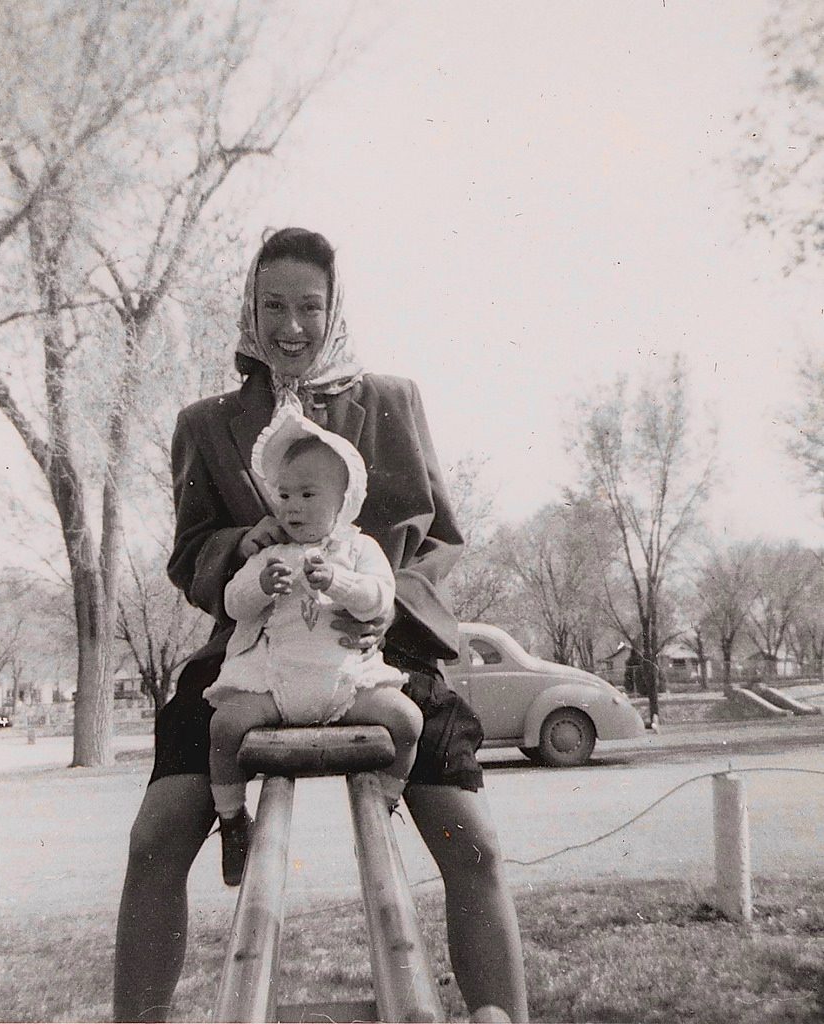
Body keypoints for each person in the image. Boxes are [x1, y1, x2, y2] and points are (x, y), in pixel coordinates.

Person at [113, 227, 529, 1023]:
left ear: (334, 309)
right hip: (251, 652)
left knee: (472, 844)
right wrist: (246, 544)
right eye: (274, 306)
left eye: (309, 306)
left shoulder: (392, 400)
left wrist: (381, 610)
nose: (291, 326)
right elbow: (188, 554)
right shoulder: (206, 424)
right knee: (154, 839)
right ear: (250, 309)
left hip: (376, 653)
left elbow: (438, 538)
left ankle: (501, 1016)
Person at [206, 404, 423, 886]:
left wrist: (340, 583)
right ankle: (233, 821)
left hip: (348, 683)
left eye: (307, 494)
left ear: (342, 503)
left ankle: (386, 808)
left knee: (408, 720)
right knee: (224, 726)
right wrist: (261, 585)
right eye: (283, 495)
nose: (293, 507)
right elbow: (234, 603)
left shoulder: (358, 549)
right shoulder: (272, 555)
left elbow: (379, 598)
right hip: (277, 686)